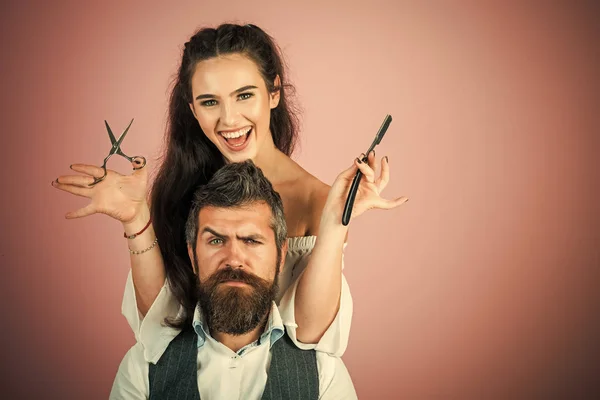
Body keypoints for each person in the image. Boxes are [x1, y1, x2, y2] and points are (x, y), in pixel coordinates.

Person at [51, 23, 406, 362]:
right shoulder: (180, 188)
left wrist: (335, 223)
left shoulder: (320, 201)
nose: (229, 120)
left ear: (274, 92)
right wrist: (136, 219)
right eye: (209, 102)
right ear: (192, 108)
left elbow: (311, 335)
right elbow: (158, 327)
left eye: (244, 95)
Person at [110, 160, 365, 399]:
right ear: (192, 254)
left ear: (281, 255)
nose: (233, 259)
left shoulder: (324, 375)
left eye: (251, 241)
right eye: (216, 240)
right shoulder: (142, 371)